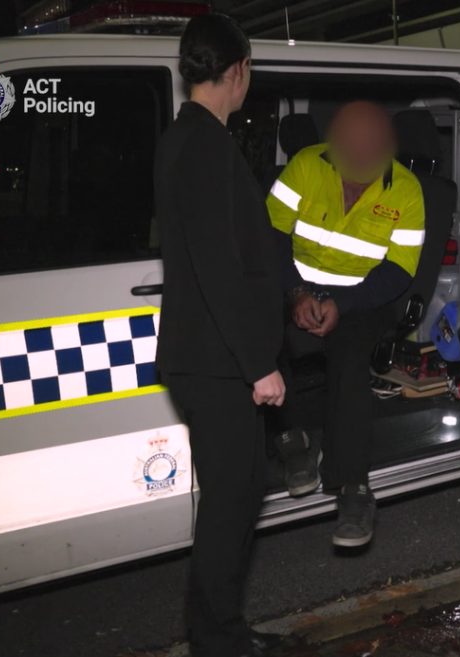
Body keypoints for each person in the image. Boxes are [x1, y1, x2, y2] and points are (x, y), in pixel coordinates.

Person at [154, 14, 287, 657]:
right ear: (236, 72)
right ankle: (216, 640)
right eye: (250, 70)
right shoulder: (204, 145)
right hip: (217, 363)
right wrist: (259, 363)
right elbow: (217, 267)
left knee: (238, 496)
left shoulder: (189, 137)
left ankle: (221, 630)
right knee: (231, 505)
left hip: (210, 358)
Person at [266, 101, 425, 547]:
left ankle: (353, 487)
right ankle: (292, 440)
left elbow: (399, 269)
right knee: (259, 328)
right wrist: (295, 293)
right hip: (297, 285)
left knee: (352, 358)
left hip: (363, 298)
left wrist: (344, 302)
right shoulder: (304, 166)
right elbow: (272, 235)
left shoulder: (407, 190)